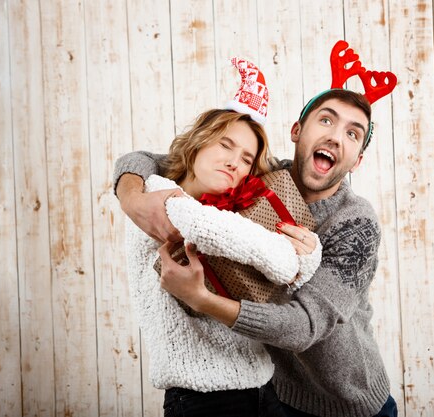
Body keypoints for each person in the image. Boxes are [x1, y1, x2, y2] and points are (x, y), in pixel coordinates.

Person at [116, 42, 398, 416]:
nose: (335, 136)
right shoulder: (260, 177)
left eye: (352, 133)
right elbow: (156, 159)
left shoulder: (356, 222)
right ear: (298, 130)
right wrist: (133, 197)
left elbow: (303, 327)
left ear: (358, 159)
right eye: (326, 120)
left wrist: (202, 300)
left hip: (346, 404)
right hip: (271, 393)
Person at [122, 58, 320, 417]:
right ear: (198, 142)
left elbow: (287, 280)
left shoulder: (229, 213)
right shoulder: (160, 195)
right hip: (205, 401)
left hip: (264, 389)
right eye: (225, 145)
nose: (234, 162)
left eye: (246, 158)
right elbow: (282, 263)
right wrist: (305, 253)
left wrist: (301, 259)